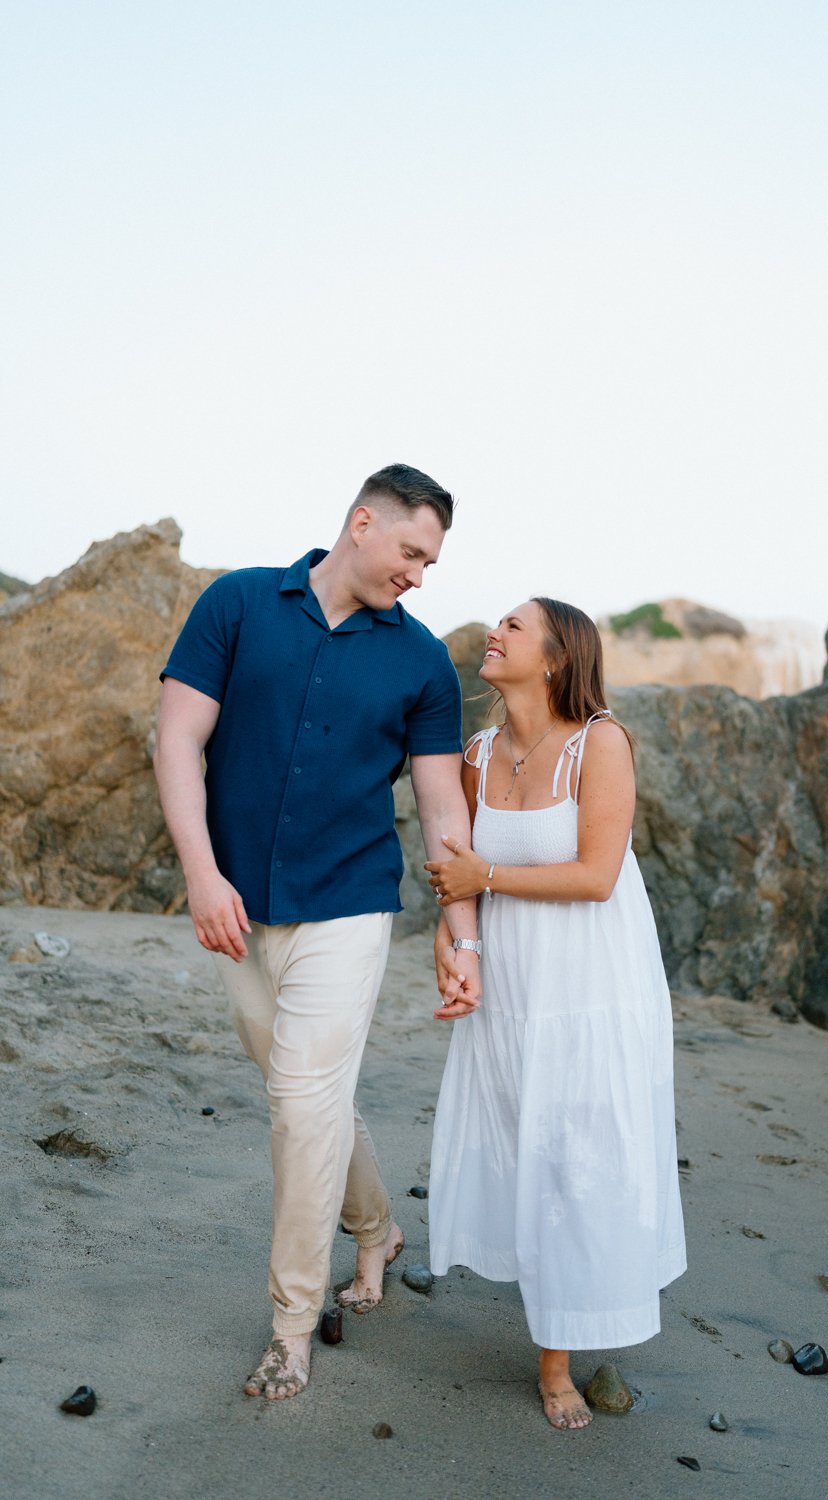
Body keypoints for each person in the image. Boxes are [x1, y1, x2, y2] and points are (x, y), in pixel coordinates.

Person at [154, 463, 481, 1401]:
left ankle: (291, 1328)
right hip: (235, 908)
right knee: (307, 1096)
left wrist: (464, 937)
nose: (419, 574)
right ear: (362, 522)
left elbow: (441, 811)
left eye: (431, 561)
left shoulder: (422, 661)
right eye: (412, 551)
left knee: (301, 1108)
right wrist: (201, 874)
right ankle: (378, 1227)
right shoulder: (239, 604)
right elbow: (179, 738)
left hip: (348, 905)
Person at [424, 597, 686, 1431]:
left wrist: (481, 887)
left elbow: (596, 873)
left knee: (579, 1147)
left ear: (556, 659)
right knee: (520, 1138)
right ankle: (542, 1301)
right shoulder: (476, 753)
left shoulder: (598, 744)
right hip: (513, 983)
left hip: (592, 982)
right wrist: (455, 944)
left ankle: (557, 1358)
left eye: (513, 626)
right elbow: (455, 877)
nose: (492, 632)